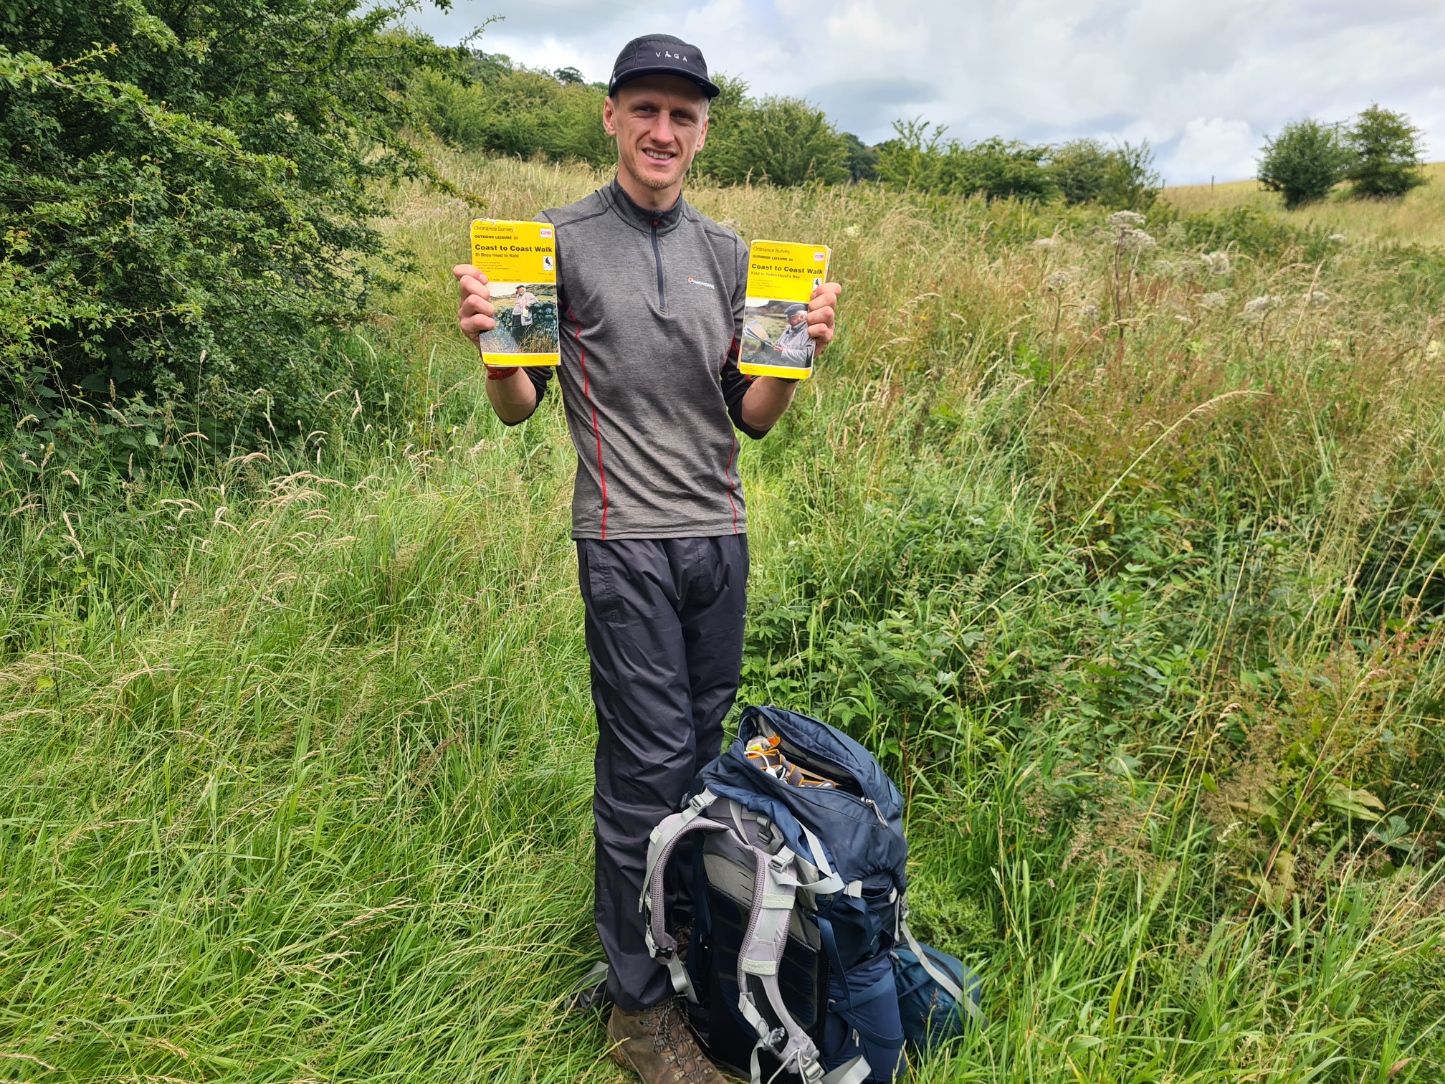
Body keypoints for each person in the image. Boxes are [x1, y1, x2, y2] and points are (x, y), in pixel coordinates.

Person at [451, 32, 842, 1084]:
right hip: (624, 542)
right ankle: (635, 1010)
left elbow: (749, 419)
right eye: (645, 110)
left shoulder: (730, 254)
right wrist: (493, 343)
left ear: (702, 130)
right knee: (642, 772)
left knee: (696, 762)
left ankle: (669, 957)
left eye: (683, 114)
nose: (662, 130)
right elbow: (516, 408)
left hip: (719, 538)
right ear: (612, 117)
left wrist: (796, 358)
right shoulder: (558, 243)